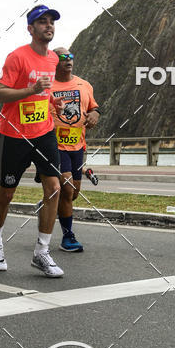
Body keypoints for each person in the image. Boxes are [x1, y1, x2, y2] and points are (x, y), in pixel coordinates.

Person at [0, 5, 65, 277]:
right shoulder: (17, 57)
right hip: (13, 135)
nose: (49, 26)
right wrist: (30, 90)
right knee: (6, 195)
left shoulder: (54, 60)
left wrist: (53, 101)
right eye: (42, 22)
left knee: (54, 188)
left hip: (43, 133)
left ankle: (42, 252)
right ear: (30, 29)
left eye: (51, 22)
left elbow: (43, 94)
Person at [50, 48, 100, 252]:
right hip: (54, 146)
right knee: (68, 189)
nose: (68, 60)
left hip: (78, 145)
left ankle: (47, 204)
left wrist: (96, 114)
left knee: (73, 193)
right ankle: (68, 237)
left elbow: (93, 108)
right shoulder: (47, 86)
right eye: (63, 57)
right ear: (54, 61)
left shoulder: (84, 84)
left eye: (71, 56)